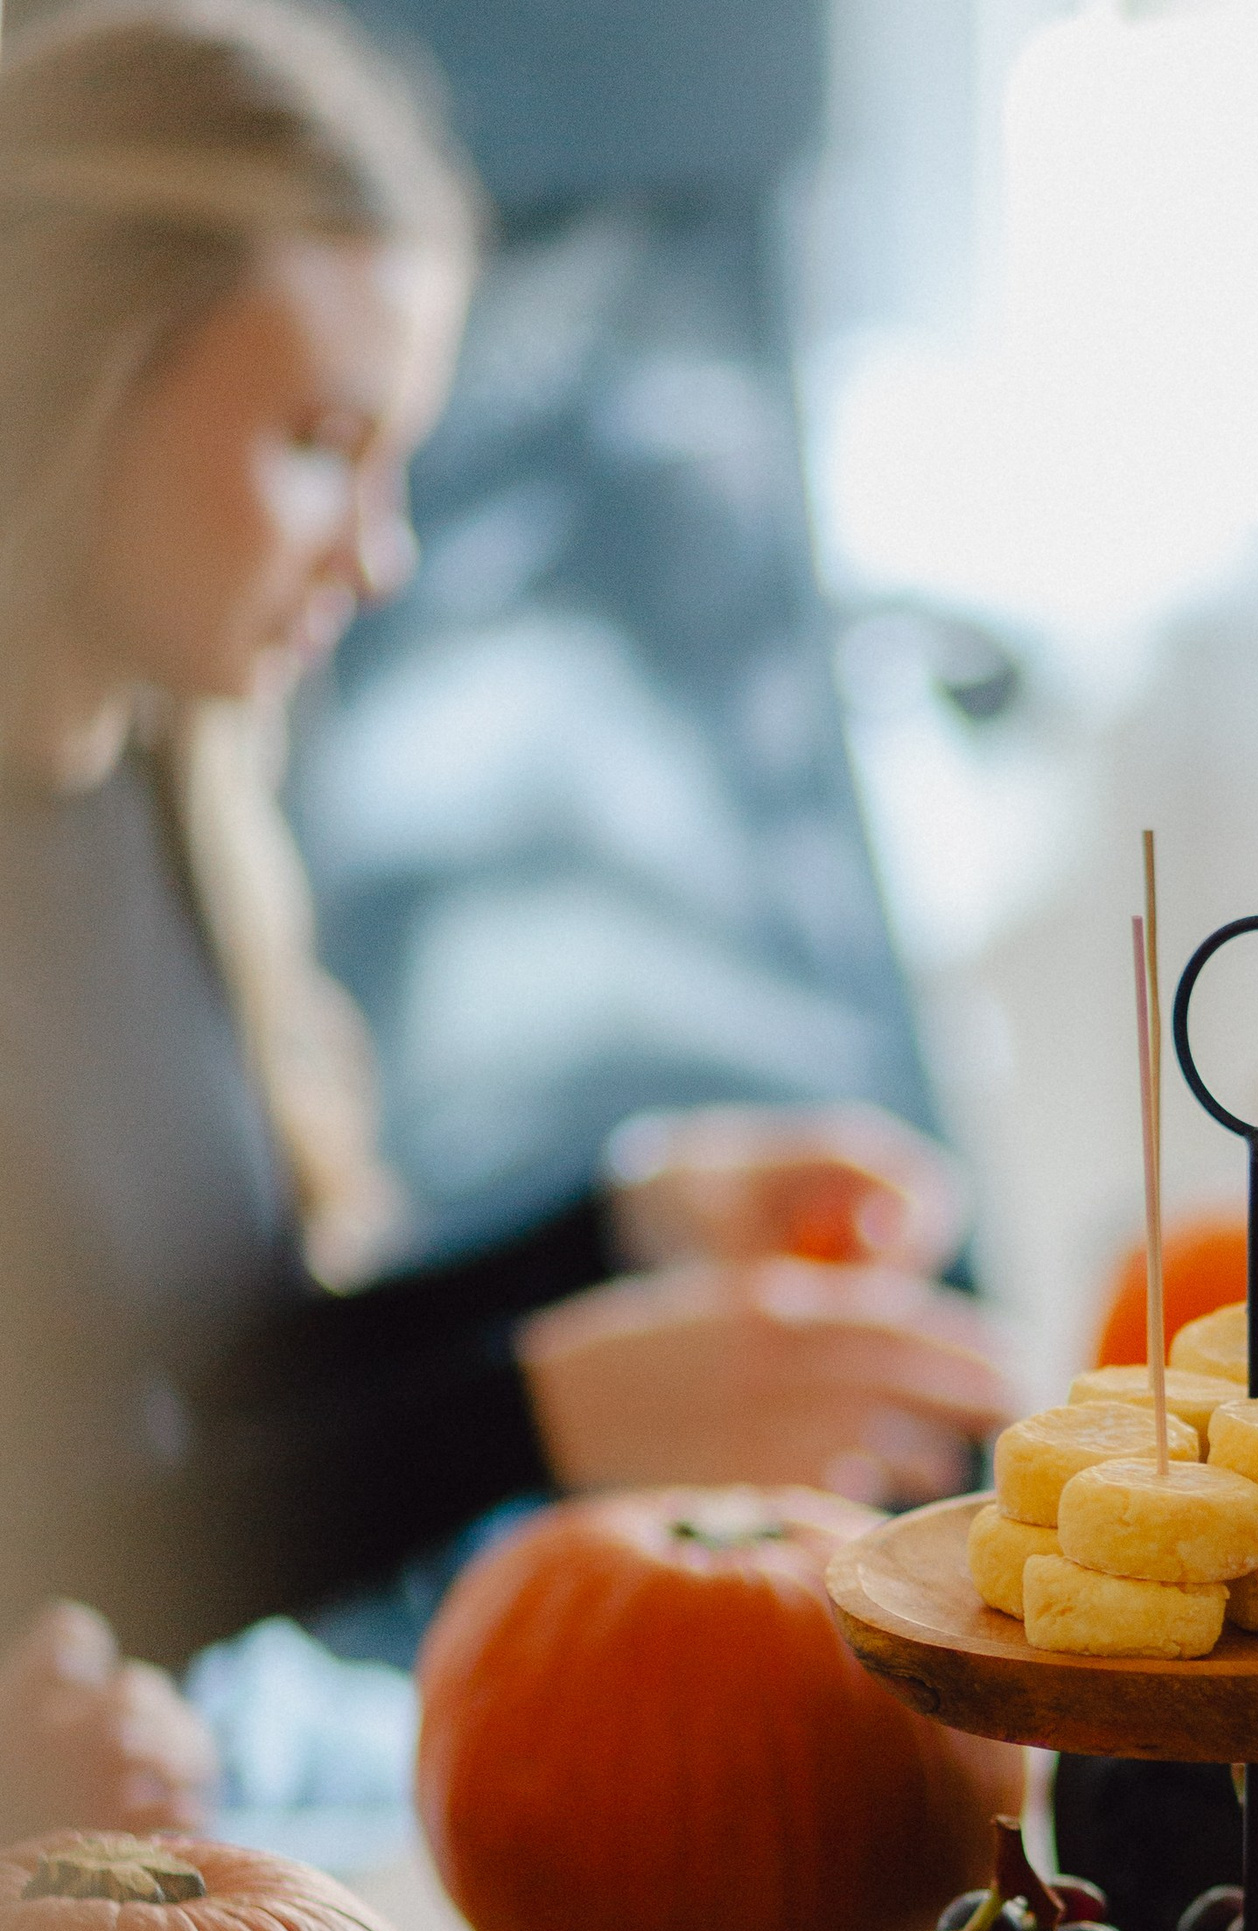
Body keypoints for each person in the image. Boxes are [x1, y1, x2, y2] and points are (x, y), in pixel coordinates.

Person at [0, 0, 1011, 1824]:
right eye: (318, 439)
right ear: (62, 378)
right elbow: (78, 1536)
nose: (378, 557)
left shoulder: (145, 787)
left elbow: (206, 1370)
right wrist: (553, 1417)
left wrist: (631, 1220)